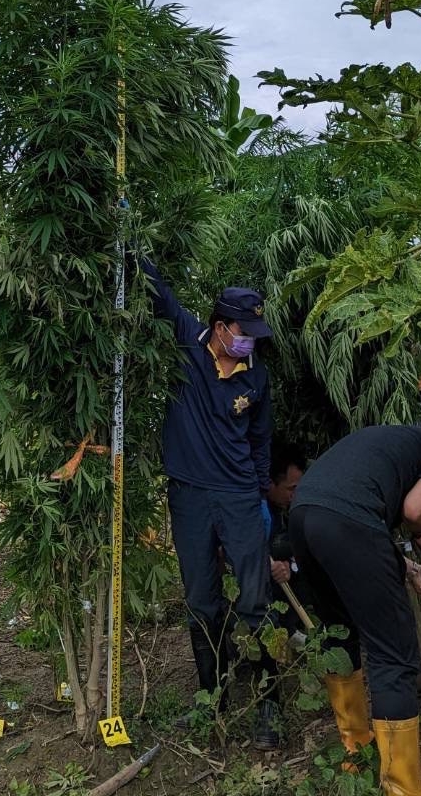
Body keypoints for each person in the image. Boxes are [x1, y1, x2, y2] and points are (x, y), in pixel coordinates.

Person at [140, 259, 281, 748]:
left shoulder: (255, 377)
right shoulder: (187, 342)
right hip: (189, 496)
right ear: (220, 328)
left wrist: (260, 495)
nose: (251, 342)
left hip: (240, 496)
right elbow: (160, 291)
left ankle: (269, 705)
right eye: (245, 332)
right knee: (201, 601)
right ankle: (212, 698)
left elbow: (261, 440)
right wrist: (127, 232)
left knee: (256, 600)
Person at [290, 425, 421, 796]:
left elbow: (361, 518)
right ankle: (401, 789)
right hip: (345, 522)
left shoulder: (393, 443)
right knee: (394, 657)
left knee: (340, 636)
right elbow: (415, 508)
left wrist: (405, 567)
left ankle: (356, 753)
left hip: (304, 517)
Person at [264, 441, 309, 633]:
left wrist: (288, 566)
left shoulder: (283, 510)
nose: (295, 495)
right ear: (270, 483)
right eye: (291, 489)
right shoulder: (255, 511)